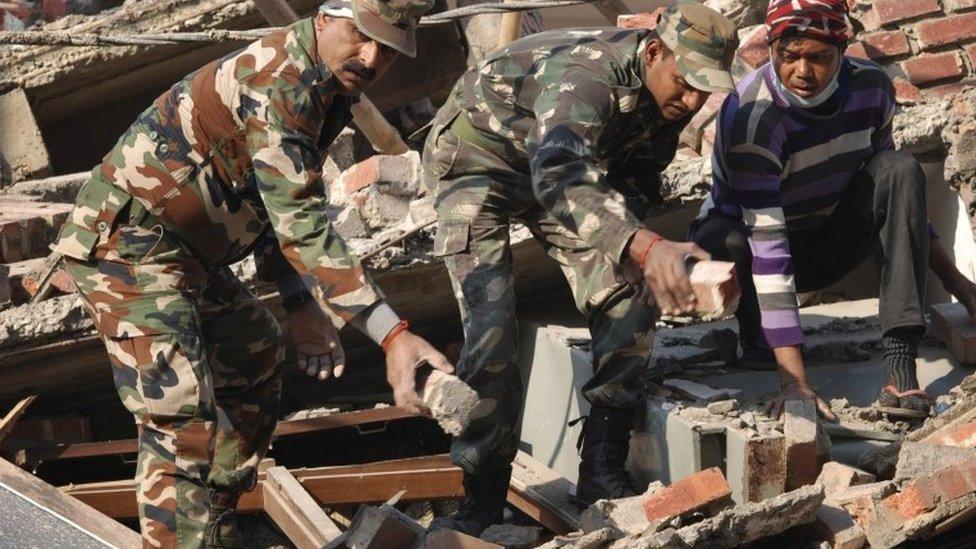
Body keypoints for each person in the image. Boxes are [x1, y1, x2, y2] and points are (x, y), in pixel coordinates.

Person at [52, 0, 452, 546]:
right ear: (328, 16)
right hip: (128, 246)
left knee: (254, 348)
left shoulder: (328, 84)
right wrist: (393, 336)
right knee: (182, 421)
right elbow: (301, 222)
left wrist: (300, 303)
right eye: (363, 35)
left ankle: (209, 527)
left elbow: (264, 201)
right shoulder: (280, 81)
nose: (371, 57)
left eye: (389, 49)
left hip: (187, 255)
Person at [421, 0, 738, 535]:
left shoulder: (664, 107)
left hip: (558, 179)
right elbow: (558, 171)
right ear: (654, 51)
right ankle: (481, 496)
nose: (691, 100)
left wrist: (643, 258)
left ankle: (602, 468)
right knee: (492, 324)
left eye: (703, 90)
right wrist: (644, 244)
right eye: (684, 82)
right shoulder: (586, 74)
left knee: (629, 291)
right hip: (477, 160)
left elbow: (632, 183)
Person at [690, 0, 976, 421]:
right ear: (771, 50)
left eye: (818, 58)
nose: (802, 71)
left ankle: (899, 362)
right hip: (749, 251)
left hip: (825, 242)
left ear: (841, 53)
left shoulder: (872, 89)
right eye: (788, 56)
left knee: (899, 169)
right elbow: (768, 250)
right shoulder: (753, 116)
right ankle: (758, 339)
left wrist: (961, 287)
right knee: (730, 238)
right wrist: (795, 384)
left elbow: (899, 202)